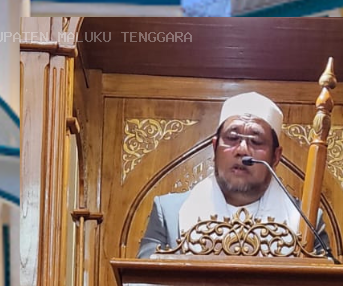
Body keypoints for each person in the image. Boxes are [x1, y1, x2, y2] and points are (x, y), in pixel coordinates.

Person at [137, 92, 329, 258]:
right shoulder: (170, 213)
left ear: (275, 156)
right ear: (214, 148)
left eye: (255, 141)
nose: (242, 150)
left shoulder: (307, 222)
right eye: (232, 138)